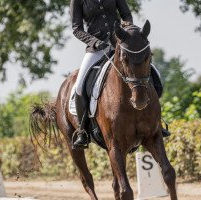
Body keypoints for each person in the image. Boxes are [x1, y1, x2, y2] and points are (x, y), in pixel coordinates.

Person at [70, 0, 170, 149]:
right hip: (96, 48)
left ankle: (157, 123)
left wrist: (127, 26)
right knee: (79, 86)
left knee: (153, 73)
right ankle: (82, 130)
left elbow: (126, 14)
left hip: (121, 43)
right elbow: (77, 29)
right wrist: (94, 42)